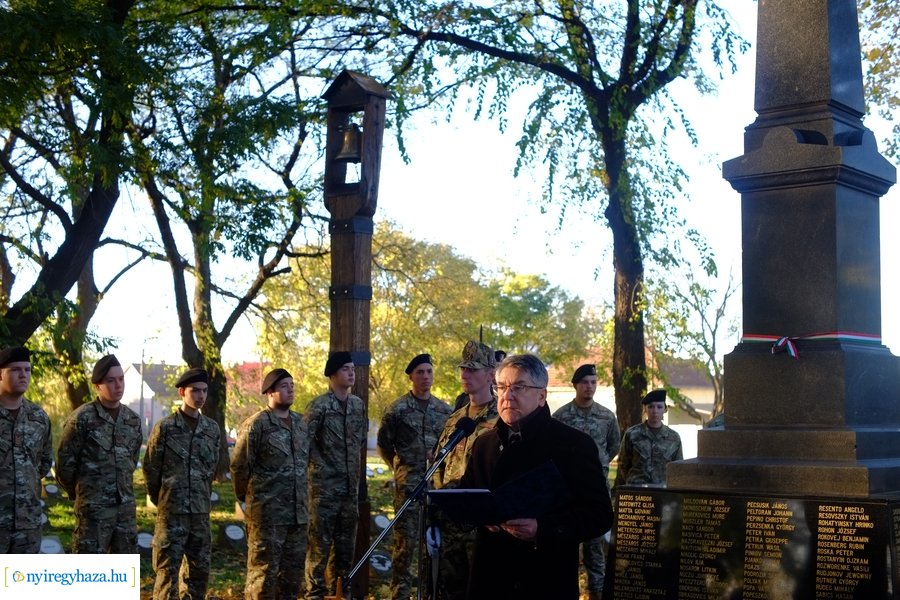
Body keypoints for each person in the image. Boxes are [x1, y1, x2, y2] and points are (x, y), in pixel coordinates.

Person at [459, 353, 613, 600]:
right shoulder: (484, 444)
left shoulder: (573, 444)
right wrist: (478, 512)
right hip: (490, 578)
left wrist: (543, 528)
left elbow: (600, 515)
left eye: (519, 387)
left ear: (542, 396)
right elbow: (468, 494)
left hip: (545, 578)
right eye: (501, 387)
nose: (508, 395)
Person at [377, 353, 452, 600]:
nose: (425, 377)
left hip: (437, 488)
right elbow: (385, 445)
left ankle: (430, 593)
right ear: (411, 376)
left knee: (433, 544)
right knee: (404, 546)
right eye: (420, 372)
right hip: (409, 487)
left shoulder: (444, 411)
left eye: (429, 371)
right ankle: (400, 594)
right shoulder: (397, 410)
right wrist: (400, 470)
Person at [143, 367, 222, 600]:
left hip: (200, 513)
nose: (200, 396)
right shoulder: (165, 428)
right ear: (182, 392)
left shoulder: (211, 430)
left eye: (204, 391)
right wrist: (165, 499)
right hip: (171, 514)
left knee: (198, 575)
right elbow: (151, 469)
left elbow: (211, 469)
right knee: (167, 576)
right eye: (195, 390)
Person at [232, 367, 309, 600]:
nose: (290, 390)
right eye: (284, 386)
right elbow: (239, 467)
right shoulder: (257, 425)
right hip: (268, 517)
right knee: (262, 579)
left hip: (298, 516)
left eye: (292, 386)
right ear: (270, 392)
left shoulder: (300, 424)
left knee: (292, 580)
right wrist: (249, 500)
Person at [432, 341, 499, 600]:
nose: (465, 375)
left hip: (483, 522)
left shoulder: (501, 418)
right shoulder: (455, 419)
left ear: (491, 374)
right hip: (451, 518)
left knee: (481, 588)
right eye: (463, 369)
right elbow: (440, 463)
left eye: (473, 369)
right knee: (449, 588)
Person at [56, 354, 143, 553]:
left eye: (121, 379)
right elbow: (65, 466)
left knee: (123, 573)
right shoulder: (81, 419)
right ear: (97, 386)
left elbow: (131, 460)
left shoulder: (132, 420)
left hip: (125, 511)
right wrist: (82, 494)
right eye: (111, 381)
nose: (118, 385)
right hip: (93, 512)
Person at [552, 363, 620, 600]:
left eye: (593, 382)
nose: (589, 387)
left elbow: (613, 446)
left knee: (595, 554)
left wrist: (596, 467)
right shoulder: (561, 417)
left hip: (594, 494)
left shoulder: (606, 416)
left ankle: (596, 595)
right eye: (584, 382)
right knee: (564, 551)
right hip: (566, 494)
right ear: (576, 385)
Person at [304, 352, 367, 600]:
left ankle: (341, 596)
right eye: (345, 369)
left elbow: (359, 441)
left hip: (349, 494)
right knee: (318, 553)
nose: (351, 373)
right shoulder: (319, 406)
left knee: (344, 555)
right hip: (323, 493)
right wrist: (321, 468)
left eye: (352, 368)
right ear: (332, 375)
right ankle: (314, 596)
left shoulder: (357, 405)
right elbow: (303, 443)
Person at [0, 346, 52, 554]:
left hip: (27, 523)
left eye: (27, 370)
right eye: (15, 370)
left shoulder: (38, 418)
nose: (23, 375)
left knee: (20, 583)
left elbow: (44, 462)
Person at [614, 389, 683, 486]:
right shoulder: (632, 434)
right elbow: (623, 462)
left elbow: (677, 467)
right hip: (637, 489)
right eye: (651, 407)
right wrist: (633, 481)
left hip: (662, 490)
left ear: (665, 409)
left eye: (659, 407)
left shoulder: (673, 437)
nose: (655, 411)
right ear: (645, 409)